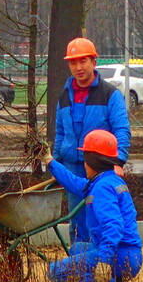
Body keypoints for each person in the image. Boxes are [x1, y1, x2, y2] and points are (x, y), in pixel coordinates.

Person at [41, 130, 143, 282]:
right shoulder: (105, 181)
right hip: (128, 254)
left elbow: (114, 225)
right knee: (78, 249)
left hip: (119, 257)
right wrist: (49, 161)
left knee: (54, 271)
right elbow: (74, 182)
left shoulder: (102, 189)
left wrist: (103, 261)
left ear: (92, 161)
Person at [54, 37, 130, 244]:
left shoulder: (109, 95)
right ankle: (78, 265)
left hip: (100, 168)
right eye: (73, 62)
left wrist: (118, 162)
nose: (78, 67)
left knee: (100, 218)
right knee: (76, 220)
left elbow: (121, 129)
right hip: (72, 167)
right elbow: (60, 132)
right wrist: (56, 164)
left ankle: (104, 263)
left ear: (94, 62)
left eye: (83, 61)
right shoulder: (64, 96)